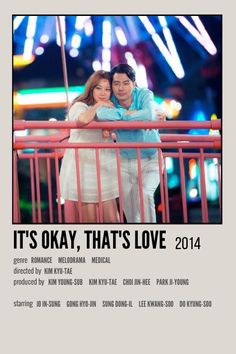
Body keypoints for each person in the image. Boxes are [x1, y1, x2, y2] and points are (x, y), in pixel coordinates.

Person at [96, 63, 163, 223]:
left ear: (133, 83)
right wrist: (129, 115)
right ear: (112, 85)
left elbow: (148, 114)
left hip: (150, 158)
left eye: (126, 83)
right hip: (124, 161)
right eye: (116, 83)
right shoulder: (110, 99)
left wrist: (120, 116)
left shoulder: (144, 94)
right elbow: (101, 113)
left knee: (145, 195)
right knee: (129, 208)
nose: (121, 88)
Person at [60, 70, 119, 223]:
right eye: (98, 88)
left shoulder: (109, 109)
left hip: (104, 166)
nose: (103, 93)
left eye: (107, 89)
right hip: (83, 167)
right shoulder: (79, 106)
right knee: (89, 221)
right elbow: (82, 120)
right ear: (91, 88)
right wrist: (98, 105)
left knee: (113, 220)